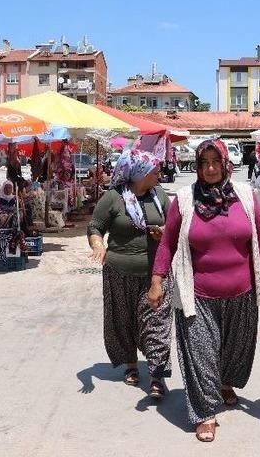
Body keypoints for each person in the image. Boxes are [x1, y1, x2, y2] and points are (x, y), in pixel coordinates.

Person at [149, 139, 260, 443]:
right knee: (201, 355)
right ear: (196, 166)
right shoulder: (183, 200)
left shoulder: (245, 196)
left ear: (225, 164)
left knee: (235, 351)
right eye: (204, 162)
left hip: (242, 294)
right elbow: (167, 243)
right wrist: (157, 281)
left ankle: (224, 383)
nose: (209, 168)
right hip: (198, 295)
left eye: (215, 162)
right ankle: (205, 412)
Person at [86, 149, 172, 399]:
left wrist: (165, 231)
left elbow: (175, 224)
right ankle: (131, 364)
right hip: (119, 271)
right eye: (154, 171)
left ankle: (156, 374)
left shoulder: (160, 196)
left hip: (155, 274)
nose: (159, 175)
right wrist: (98, 246)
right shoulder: (113, 198)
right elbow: (96, 226)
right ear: (139, 173)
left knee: (157, 324)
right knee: (123, 322)